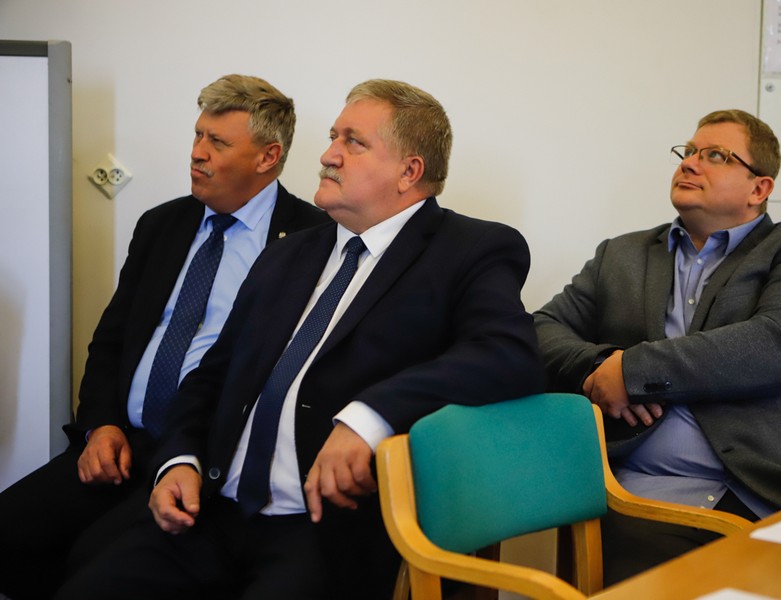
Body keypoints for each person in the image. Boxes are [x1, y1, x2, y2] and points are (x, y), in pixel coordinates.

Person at [54, 79, 545, 600]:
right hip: (212, 509)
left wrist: (368, 418)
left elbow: (506, 356)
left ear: (409, 171)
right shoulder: (288, 253)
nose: (328, 155)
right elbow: (212, 376)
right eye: (333, 137)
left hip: (322, 528)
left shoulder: (469, 250)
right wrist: (180, 459)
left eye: (353, 142)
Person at [0, 74, 329, 600]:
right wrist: (101, 424)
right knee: (10, 530)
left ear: (268, 157)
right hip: (123, 441)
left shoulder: (312, 240)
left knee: (91, 561)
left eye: (217, 142)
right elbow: (112, 339)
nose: (197, 153)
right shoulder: (162, 224)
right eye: (198, 135)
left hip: (201, 454)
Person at [534, 109, 781, 584]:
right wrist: (600, 365)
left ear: (759, 189)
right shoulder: (619, 256)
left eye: (716, 156)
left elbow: (780, 343)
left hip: (772, 491)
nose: (689, 163)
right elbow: (541, 328)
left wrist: (634, 372)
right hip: (645, 493)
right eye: (687, 152)